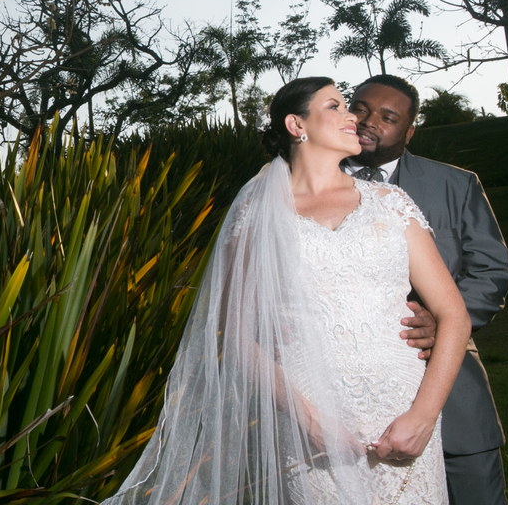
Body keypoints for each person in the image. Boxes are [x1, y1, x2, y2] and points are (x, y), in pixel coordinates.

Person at [104, 77, 471, 505]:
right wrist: (308, 420)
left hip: (403, 404)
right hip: (313, 416)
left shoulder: (392, 203)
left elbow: (453, 314)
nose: (352, 116)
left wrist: (424, 417)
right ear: (298, 125)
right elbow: (237, 335)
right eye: (335, 106)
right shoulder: (258, 215)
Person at [346, 75, 508, 505]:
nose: (369, 121)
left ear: (409, 130)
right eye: (360, 108)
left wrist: (445, 322)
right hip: (352, 396)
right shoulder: (308, 185)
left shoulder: (456, 185)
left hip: (452, 390)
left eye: (387, 116)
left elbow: (491, 270)